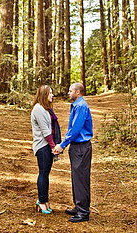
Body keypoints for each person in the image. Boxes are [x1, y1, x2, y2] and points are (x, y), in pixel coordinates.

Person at [53, 82, 93, 223]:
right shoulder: (77, 105)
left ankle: (83, 212)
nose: (68, 93)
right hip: (77, 147)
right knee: (77, 178)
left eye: (71, 91)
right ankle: (79, 206)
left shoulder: (81, 106)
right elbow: (72, 129)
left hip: (81, 147)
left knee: (81, 179)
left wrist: (62, 145)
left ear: (78, 92)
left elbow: (76, 129)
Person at [30, 85, 61, 214]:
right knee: (43, 173)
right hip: (42, 146)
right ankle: (41, 202)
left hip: (47, 146)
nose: (52, 96)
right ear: (44, 95)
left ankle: (44, 200)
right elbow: (45, 131)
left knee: (46, 174)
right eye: (50, 93)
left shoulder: (46, 109)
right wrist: (54, 146)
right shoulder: (38, 109)